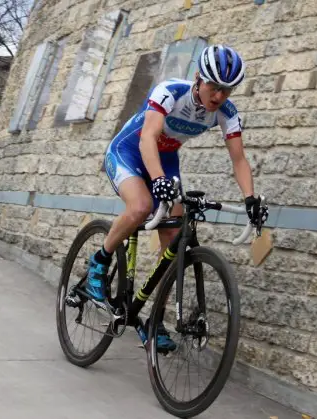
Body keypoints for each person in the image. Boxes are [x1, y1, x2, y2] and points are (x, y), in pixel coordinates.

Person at [92, 44, 268, 350]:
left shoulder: (226, 112)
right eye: (214, 87)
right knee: (142, 206)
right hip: (130, 152)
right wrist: (158, 179)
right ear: (199, 77)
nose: (218, 97)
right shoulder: (170, 91)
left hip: (167, 158)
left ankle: (154, 319)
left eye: (227, 91)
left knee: (173, 239)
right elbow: (148, 137)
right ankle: (99, 261)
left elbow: (239, 159)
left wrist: (250, 198)